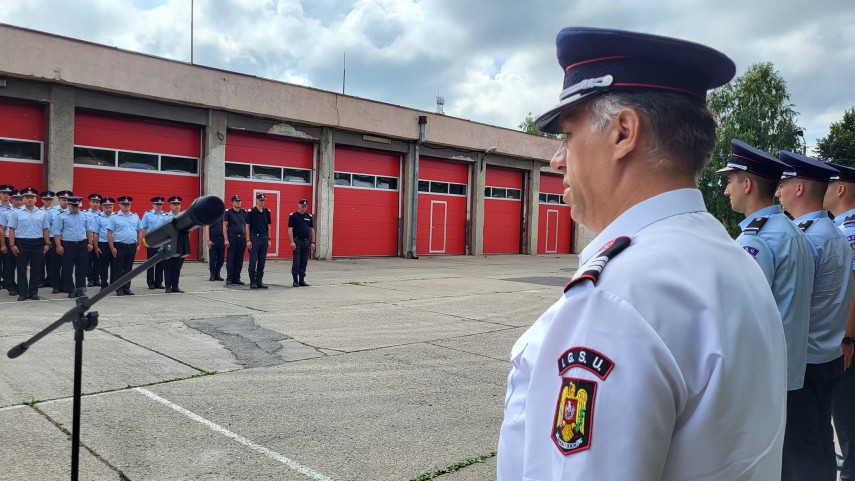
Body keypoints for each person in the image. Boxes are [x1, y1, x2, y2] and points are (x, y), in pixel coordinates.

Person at [497, 27, 787, 480]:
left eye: (568, 135)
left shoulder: (619, 299)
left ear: (623, 132)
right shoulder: (729, 260)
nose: (557, 160)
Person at [718, 140, 816, 450]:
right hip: (788, 369)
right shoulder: (789, 230)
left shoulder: (758, 239)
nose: (725, 190)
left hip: (761, 376)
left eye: (730, 181)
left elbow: (741, 316)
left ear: (747, 183)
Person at [776, 150, 854, 481]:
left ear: (799, 189)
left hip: (803, 361)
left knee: (801, 451)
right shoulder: (835, 232)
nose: (777, 191)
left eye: (784, 184)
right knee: (821, 440)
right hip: (829, 355)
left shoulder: (807, 238)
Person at [824, 162, 855, 480]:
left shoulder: (849, 232)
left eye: (828, 184)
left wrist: (847, 339)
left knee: (847, 418)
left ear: (841, 189)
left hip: (849, 345)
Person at [6, 187, 50, 301]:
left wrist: (47, 243)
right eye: (27, 197)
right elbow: (12, 230)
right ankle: (23, 293)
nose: (30, 199)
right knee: (21, 269)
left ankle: (33, 292)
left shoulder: (42, 214)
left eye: (32, 197)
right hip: (21, 242)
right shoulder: (16, 213)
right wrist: (12, 245)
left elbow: (45, 229)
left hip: (37, 242)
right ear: (23, 199)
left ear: (36, 199)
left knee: (36, 269)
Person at [54, 196, 92, 298]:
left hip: (82, 244)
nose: (76, 208)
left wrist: (90, 243)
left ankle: (80, 289)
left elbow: (88, 230)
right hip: (68, 244)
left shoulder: (83, 215)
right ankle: (70, 289)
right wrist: (58, 246)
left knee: (82, 268)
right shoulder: (61, 216)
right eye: (74, 206)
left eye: (77, 206)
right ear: (69, 204)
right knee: (67, 268)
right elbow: (57, 232)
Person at [108, 196, 143, 296]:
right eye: (124, 204)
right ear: (119, 205)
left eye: (128, 204)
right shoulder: (114, 217)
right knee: (118, 268)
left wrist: (139, 244)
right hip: (119, 245)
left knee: (128, 268)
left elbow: (139, 231)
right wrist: (112, 247)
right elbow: (109, 233)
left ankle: (126, 287)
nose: (126, 206)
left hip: (131, 246)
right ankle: (119, 288)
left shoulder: (135, 216)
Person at [161, 195, 191, 293]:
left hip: (181, 245)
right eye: (174, 204)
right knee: (168, 266)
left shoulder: (184, 217)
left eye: (178, 204)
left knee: (177, 267)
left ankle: (175, 286)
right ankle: (168, 286)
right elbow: (161, 232)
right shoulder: (165, 217)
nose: (176, 206)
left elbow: (187, 232)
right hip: (169, 245)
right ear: (170, 205)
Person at [48, 190, 72, 293]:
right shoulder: (51, 211)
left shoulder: (73, 211)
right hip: (54, 240)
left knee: (67, 264)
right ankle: (56, 285)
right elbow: (47, 226)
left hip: (68, 241)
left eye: (68, 200)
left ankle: (65, 285)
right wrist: (48, 241)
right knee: (55, 264)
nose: (66, 202)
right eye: (63, 200)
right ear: (58, 200)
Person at [246, 193, 272, 289]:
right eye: (260, 200)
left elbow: (268, 226)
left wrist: (269, 239)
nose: (262, 202)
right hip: (254, 238)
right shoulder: (251, 212)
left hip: (264, 238)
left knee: (262, 261)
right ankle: (252, 282)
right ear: (256, 200)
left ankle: (259, 281)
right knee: (253, 261)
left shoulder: (267, 212)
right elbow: (247, 226)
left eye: (264, 200)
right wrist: (248, 240)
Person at [2, 190, 24, 296]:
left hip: (22, 240)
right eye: (16, 199)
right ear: (12, 200)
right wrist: (3, 244)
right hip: (9, 239)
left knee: (22, 264)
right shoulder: (6, 213)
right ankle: (10, 286)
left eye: (20, 199)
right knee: (9, 265)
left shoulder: (28, 212)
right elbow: (2, 230)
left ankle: (22, 286)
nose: (19, 202)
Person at [288, 198, 314, 287]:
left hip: (306, 242)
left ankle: (301, 280)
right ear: (298, 206)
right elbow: (290, 229)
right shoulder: (293, 216)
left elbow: (311, 230)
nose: (304, 208)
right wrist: (292, 242)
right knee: (297, 261)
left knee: (304, 261)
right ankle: (295, 280)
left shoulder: (309, 216)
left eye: (305, 206)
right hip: (297, 241)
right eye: (302, 206)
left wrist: (313, 242)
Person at [141, 196, 166, 289]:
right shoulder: (147, 214)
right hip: (151, 241)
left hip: (162, 241)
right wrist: (144, 241)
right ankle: (150, 282)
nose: (159, 206)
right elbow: (143, 228)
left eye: (161, 204)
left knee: (161, 262)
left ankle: (159, 282)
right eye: (157, 204)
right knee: (151, 263)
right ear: (153, 205)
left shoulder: (165, 215)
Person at [90, 197, 115, 291]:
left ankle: (114, 284)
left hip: (115, 244)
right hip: (103, 244)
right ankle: (104, 284)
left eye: (110, 207)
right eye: (106, 207)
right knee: (103, 265)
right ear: (103, 207)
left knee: (115, 265)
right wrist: (96, 247)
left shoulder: (116, 217)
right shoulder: (98, 218)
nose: (108, 209)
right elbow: (95, 234)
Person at [223, 195, 247, 286]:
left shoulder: (243, 212)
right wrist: (226, 239)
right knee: (231, 259)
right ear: (232, 203)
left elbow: (246, 226)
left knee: (239, 259)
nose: (238, 202)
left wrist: (247, 238)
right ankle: (229, 278)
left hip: (241, 238)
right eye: (236, 201)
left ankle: (237, 278)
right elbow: (225, 226)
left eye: (239, 201)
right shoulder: (228, 212)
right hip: (232, 238)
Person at [38, 190, 57, 289]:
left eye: (50, 200)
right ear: (42, 200)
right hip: (40, 238)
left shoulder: (56, 211)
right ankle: (41, 280)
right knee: (41, 260)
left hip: (52, 238)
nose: (48, 201)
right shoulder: (38, 211)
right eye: (46, 199)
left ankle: (50, 279)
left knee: (51, 260)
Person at [83, 193, 102, 287]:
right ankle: (90, 279)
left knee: (98, 260)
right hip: (88, 240)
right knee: (88, 260)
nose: (95, 204)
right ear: (89, 202)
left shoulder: (102, 214)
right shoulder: (84, 213)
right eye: (93, 202)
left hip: (99, 240)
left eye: (97, 202)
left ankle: (97, 278)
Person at [0, 184, 16, 295]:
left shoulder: (13, 209)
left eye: (8, 194)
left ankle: (9, 283)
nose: (6, 196)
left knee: (9, 262)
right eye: (3, 193)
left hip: (6, 237)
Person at [204, 209, 225, 281]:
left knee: (221, 259)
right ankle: (212, 274)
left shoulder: (223, 215)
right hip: (213, 239)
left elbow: (226, 227)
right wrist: (208, 240)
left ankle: (218, 274)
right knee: (212, 258)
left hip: (222, 239)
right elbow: (207, 229)